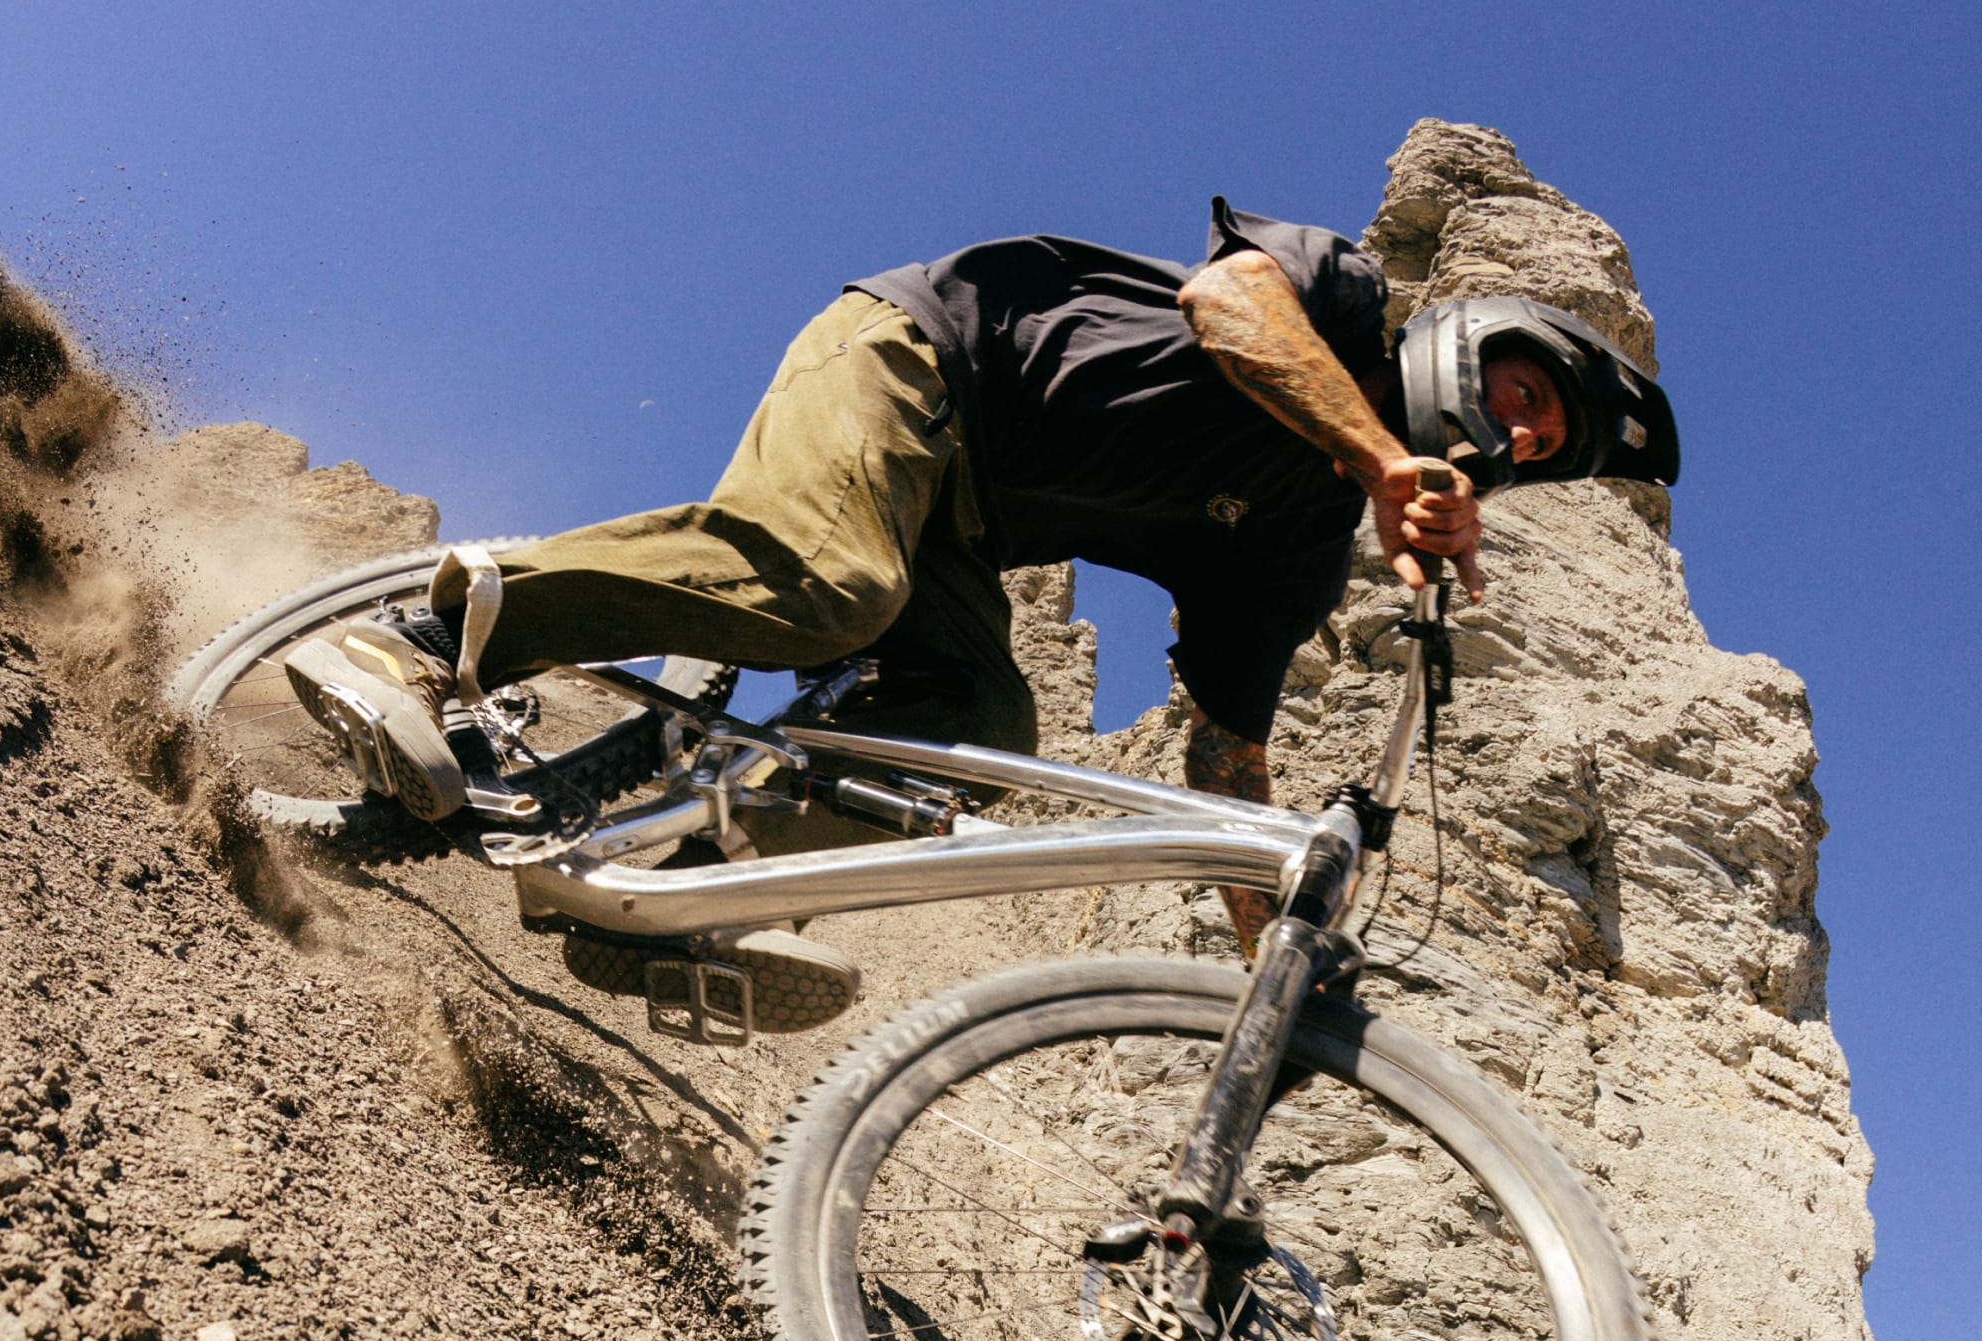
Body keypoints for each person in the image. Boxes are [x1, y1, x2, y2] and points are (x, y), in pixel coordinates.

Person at [286, 199, 1676, 1015]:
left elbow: (1228, 759)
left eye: (1535, 451)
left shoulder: (1299, 550)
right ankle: (418, 643)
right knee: (832, 581)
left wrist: (1280, 956)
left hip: (960, 530)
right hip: (915, 359)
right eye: (1529, 399)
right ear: (1475, 346)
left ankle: (656, 902)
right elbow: (1226, 301)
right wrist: (1380, 457)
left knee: (980, 726)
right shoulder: (1339, 299)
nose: (1514, 440)